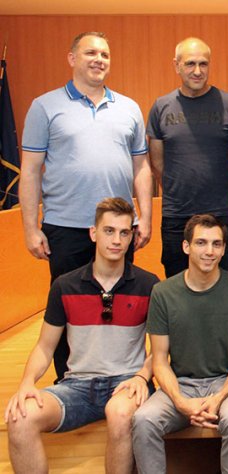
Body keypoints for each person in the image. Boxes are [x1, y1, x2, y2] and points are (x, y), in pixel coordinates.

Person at [19, 31, 153, 380]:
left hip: (120, 229)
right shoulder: (45, 106)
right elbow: (30, 171)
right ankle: (69, 378)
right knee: (67, 306)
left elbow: (142, 168)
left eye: (105, 54)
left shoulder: (129, 108)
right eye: (90, 53)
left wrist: (146, 219)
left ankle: (122, 374)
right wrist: (31, 228)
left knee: (120, 305)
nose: (99, 60)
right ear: (72, 58)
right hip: (66, 227)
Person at [5, 197, 158, 474]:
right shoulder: (65, 285)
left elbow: (161, 349)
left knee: (120, 413)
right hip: (77, 386)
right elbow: (44, 347)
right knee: (21, 417)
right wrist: (27, 382)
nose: (116, 240)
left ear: (132, 237)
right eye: (109, 231)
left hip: (127, 383)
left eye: (124, 233)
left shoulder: (149, 284)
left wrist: (142, 376)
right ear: (93, 233)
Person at [132, 215, 228, 474]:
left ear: (224, 249)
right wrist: (180, 401)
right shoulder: (163, 293)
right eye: (201, 243)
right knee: (143, 420)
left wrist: (220, 396)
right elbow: (159, 360)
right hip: (181, 384)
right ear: (186, 246)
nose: (209, 251)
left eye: (216, 244)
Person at [148, 37, 228, 277]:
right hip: (176, 214)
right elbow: (157, 163)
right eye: (190, 64)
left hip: (222, 212)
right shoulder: (161, 106)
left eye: (203, 64)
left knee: (227, 284)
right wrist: (175, 189)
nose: (197, 71)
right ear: (176, 65)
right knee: (177, 284)